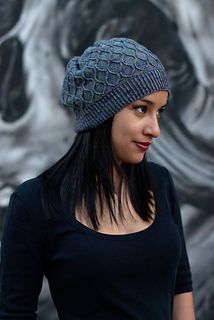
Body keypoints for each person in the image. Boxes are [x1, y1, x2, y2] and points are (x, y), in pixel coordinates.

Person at [0, 38, 195, 320]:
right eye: (142, 108)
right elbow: (15, 312)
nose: (155, 129)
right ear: (102, 112)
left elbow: (181, 283)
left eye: (159, 112)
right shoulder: (34, 202)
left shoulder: (159, 183)